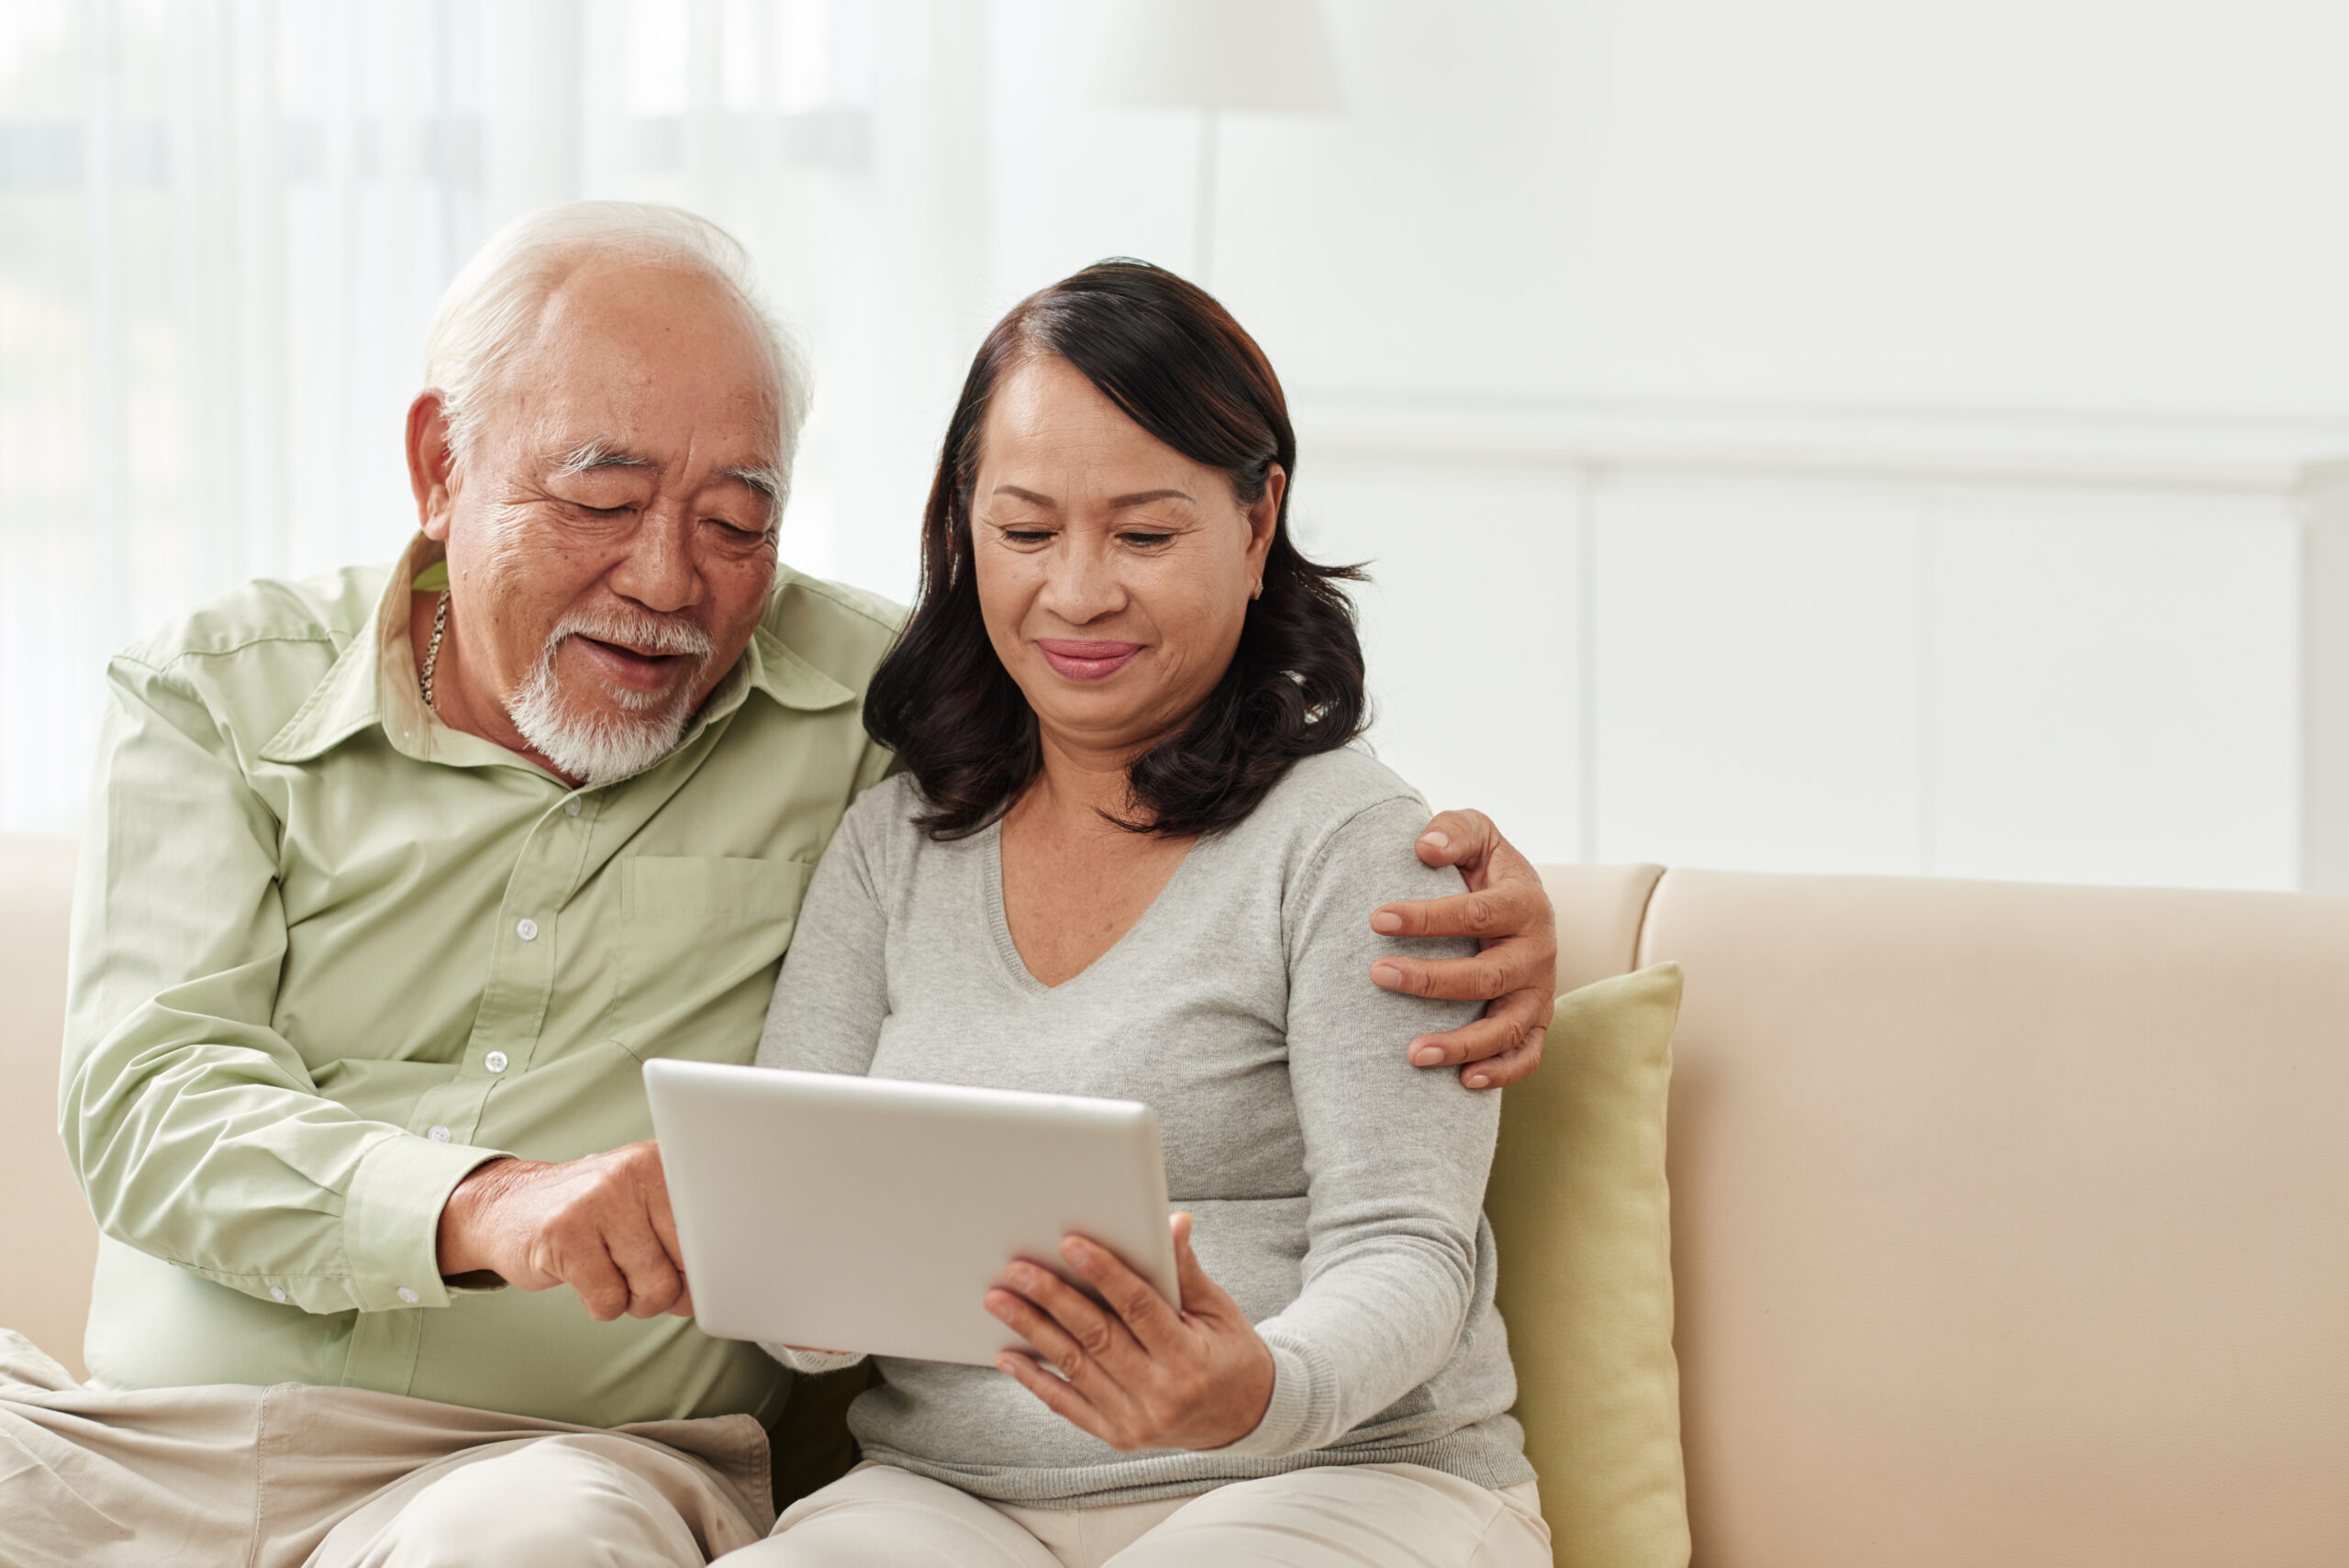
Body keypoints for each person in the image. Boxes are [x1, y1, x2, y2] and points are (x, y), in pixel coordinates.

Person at [0, 203, 1559, 1567]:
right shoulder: (219, 697)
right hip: (159, 1442)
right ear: (439, 466)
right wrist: (505, 1204)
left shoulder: (871, 710)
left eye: (736, 520)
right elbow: (150, 1095)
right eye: (602, 500)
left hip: (556, 1482)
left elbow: (1190, 759)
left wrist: (1509, 899)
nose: (672, 579)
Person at [738, 261, 1550, 1567]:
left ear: (1255, 518)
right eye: (1025, 531)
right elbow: (797, 1259)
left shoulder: (1355, 839)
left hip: (1338, 1475)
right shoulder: (893, 842)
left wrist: (1257, 1386)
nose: (1077, 592)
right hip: (953, 1495)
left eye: (1145, 534)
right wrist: (790, 1282)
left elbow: (1408, 1247)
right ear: (964, 525)